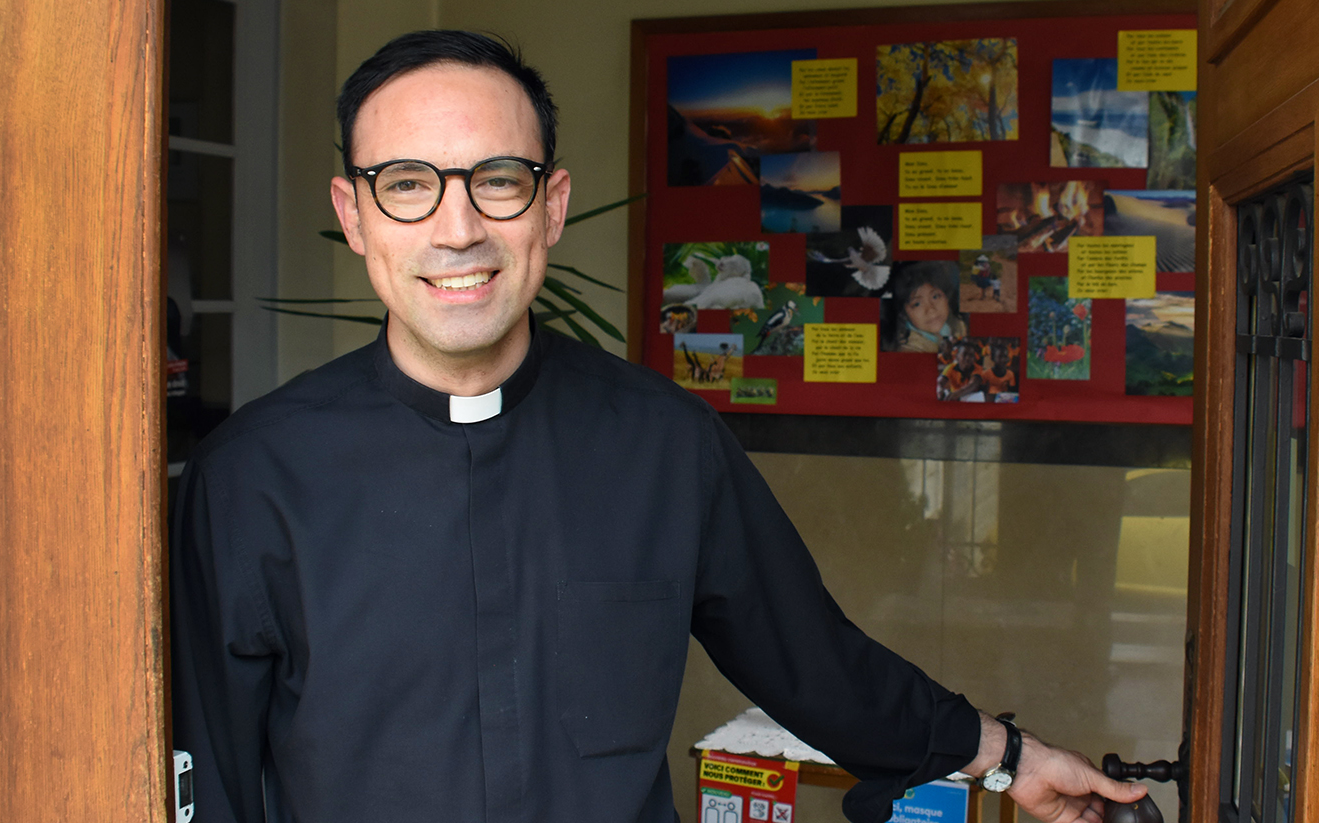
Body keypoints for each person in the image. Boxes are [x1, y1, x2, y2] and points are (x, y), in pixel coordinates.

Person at [170, 30, 1146, 823]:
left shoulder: (666, 444)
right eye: (409, 184)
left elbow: (815, 664)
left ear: (549, 207)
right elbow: (212, 775)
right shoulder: (253, 477)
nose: (456, 228)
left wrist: (1009, 758)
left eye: (496, 179)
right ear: (355, 213)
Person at [881, 261, 967, 353]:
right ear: (903, 313)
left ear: (946, 297)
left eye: (935, 296)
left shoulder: (958, 325)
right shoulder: (910, 351)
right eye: (917, 304)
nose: (931, 309)